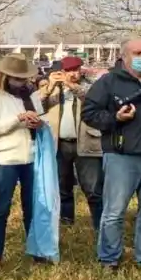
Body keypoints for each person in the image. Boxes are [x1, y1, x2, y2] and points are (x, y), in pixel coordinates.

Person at [83, 38, 141, 271]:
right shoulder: (108, 82)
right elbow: (89, 113)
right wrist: (115, 118)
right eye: (137, 53)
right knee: (114, 212)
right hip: (122, 157)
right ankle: (109, 258)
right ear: (124, 56)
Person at [0, 54, 44, 266]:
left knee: (32, 207)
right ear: (5, 76)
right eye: (17, 78)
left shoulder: (31, 96)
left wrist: (37, 123)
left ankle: (36, 250)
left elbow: (41, 119)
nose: (21, 82)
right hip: (6, 159)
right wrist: (18, 119)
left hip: (31, 157)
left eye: (24, 78)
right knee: (2, 208)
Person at [38, 55, 102, 229]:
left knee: (92, 187)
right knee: (62, 186)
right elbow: (36, 107)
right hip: (59, 144)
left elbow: (94, 101)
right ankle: (67, 223)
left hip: (86, 143)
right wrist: (49, 87)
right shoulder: (49, 87)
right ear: (61, 71)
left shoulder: (91, 85)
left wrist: (73, 87)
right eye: (68, 71)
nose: (73, 74)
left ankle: (100, 225)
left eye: (76, 70)